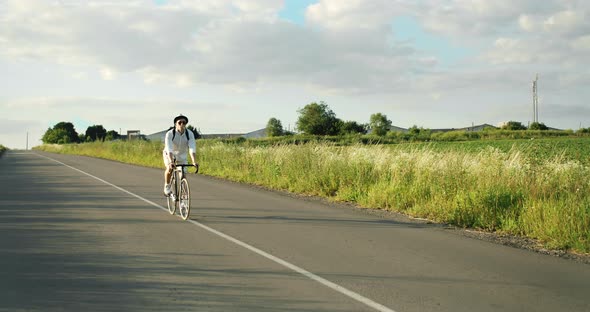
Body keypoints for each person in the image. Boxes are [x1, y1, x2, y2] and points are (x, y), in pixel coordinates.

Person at [163, 114, 198, 196]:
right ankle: (167, 186)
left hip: (182, 156)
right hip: (169, 155)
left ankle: (183, 198)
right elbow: (169, 149)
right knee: (169, 169)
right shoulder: (170, 134)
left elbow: (192, 148)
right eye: (180, 122)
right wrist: (171, 161)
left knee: (183, 175)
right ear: (175, 124)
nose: (182, 124)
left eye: (184, 123)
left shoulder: (189, 134)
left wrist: (194, 161)